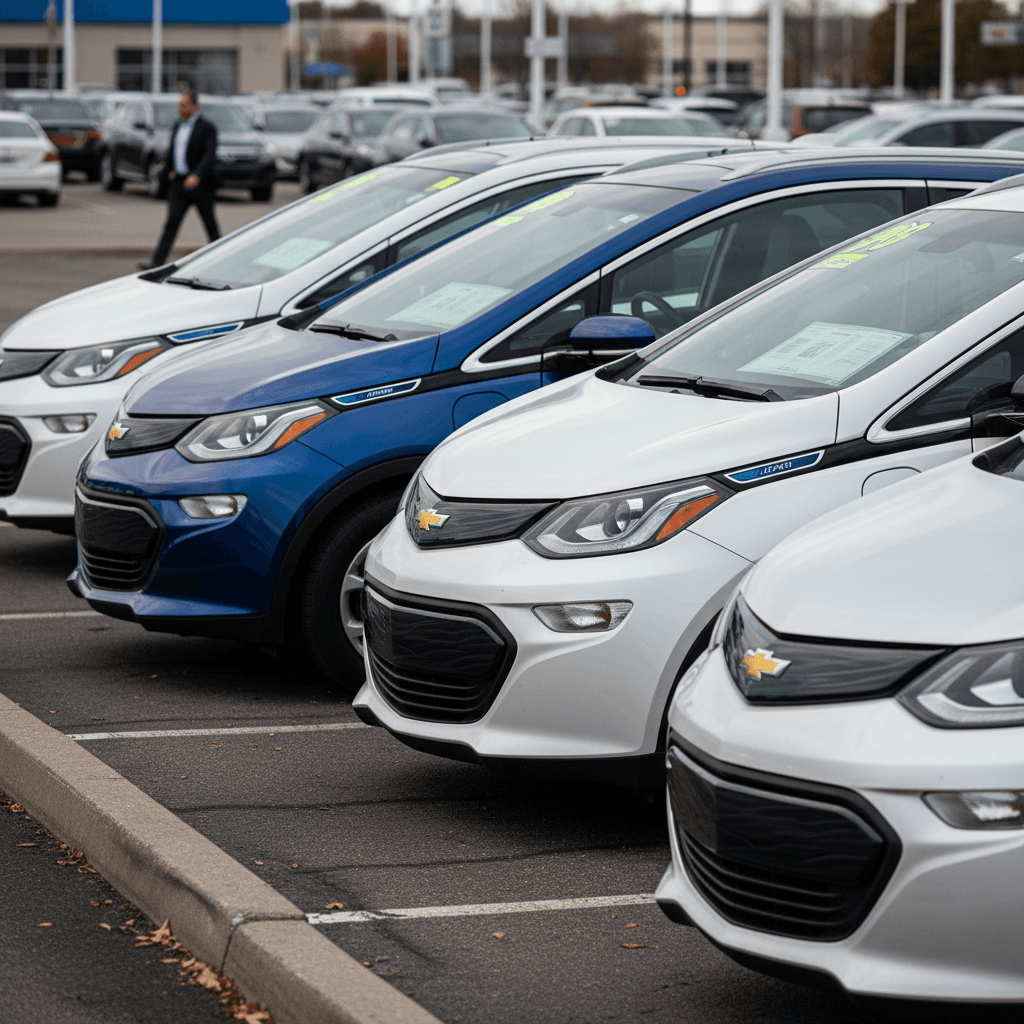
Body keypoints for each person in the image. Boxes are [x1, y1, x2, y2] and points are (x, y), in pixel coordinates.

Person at [142, 88, 220, 269]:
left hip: (201, 185)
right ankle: (157, 262)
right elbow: (172, 153)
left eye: (183, 105)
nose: (179, 108)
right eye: (179, 105)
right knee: (171, 223)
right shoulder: (178, 126)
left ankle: (221, 260)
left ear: (193, 106)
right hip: (179, 183)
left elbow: (209, 155)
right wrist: (164, 175)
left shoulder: (207, 127)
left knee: (210, 225)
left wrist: (197, 175)